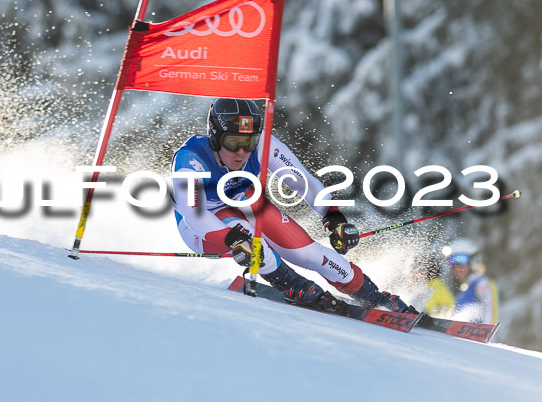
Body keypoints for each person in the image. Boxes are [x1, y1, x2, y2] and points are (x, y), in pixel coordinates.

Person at [170, 97, 417, 314]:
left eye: (250, 141)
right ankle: (296, 286)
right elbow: (195, 216)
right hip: (203, 227)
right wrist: (233, 238)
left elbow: (305, 184)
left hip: (244, 203)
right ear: (215, 136)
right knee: (254, 243)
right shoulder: (189, 160)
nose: (242, 151)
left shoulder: (264, 147)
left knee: (310, 253)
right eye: (233, 142)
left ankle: (374, 297)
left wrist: (334, 218)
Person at [445, 238, 499, 324]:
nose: (457, 266)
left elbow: (491, 316)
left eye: (461, 259)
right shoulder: (463, 291)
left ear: (474, 261)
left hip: (481, 337)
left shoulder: (483, 283)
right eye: (451, 261)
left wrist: (484, 336)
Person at [411, 253, 455, 317]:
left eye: (421, 268)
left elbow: (447, 310)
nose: (415, 272)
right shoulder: (416, 287)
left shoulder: (436, 288)